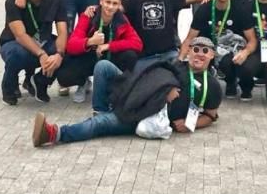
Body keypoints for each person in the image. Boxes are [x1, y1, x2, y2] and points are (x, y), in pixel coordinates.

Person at [32, 35, 221, 147]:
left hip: (145, 113)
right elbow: (153, 76)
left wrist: (191, 124)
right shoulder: (175, 65)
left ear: (212, 55)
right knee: (104, 66)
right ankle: (102, 110)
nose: (199, 54)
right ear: (188, 52)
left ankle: (53, 134)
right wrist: (166, 88)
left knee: (99, 124)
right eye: (196, 49)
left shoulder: (212, 86)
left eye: (205, 51)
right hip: (135, 95)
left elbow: (211, 116)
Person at [121, 0, 213, 73]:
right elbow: (113, 7)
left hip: (169, 55)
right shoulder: (135, 0)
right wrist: (96, 8)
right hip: (144, 57)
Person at [57, 0, 143, 103]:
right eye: (108, 2)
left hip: (110, 57)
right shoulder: (88, 15)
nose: (110, 7)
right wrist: (90, 41)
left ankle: (117, 83)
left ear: (119, 5)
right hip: (90, 57)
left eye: (114, 3)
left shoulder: (122, 19)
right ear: (101, 1)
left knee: (130, 55)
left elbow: (137, 43)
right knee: (64, 77)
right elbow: (71, 45)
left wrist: (109, 46)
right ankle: (83, 83)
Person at [0, 0, 68, 106]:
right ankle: (9, 87)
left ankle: (39, 83)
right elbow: (20, 35)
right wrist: (41, 54)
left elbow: (62, 30)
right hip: (15, 43)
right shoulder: (13, 1)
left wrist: (59, 54)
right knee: (17, 54)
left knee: (66, 51)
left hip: (43, 41)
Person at [179, 0, 257, 99]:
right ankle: (228, 80)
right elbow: (189, 39)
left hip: (234, 51)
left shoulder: (240, 9)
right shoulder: (204, 9)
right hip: (211, 51)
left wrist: (245, 53)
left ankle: (244, 85)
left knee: (237, 64)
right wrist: (180, 62)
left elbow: (252, 41)